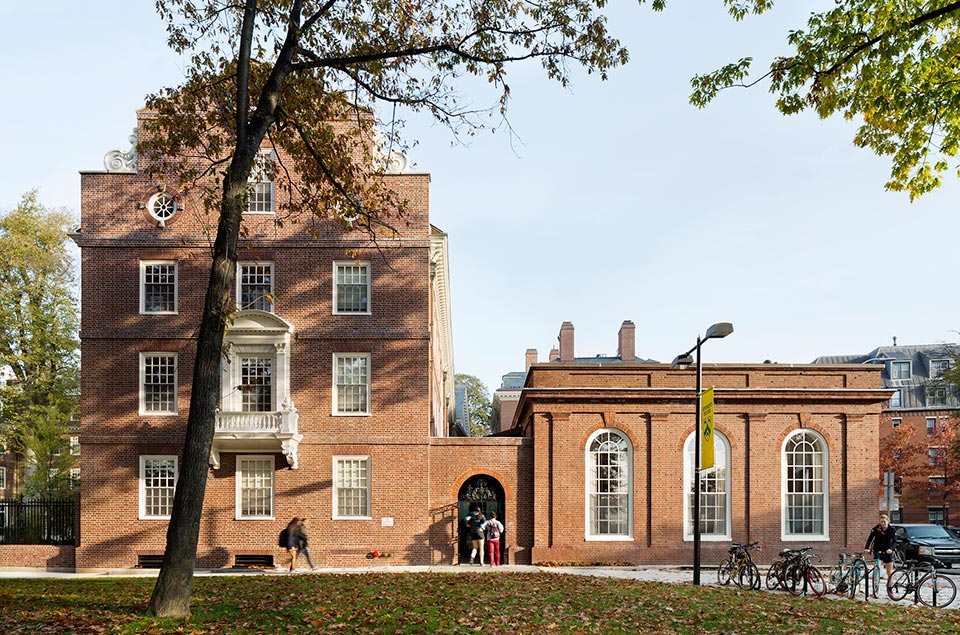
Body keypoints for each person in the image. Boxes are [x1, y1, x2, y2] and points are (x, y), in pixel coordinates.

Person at [865, 513, 897, 591]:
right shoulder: (876, 529)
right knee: (877, 568)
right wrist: (867, 548)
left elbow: (895, 541)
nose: (883, 524)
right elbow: (870, 539)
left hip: (887, 550)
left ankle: (890, 587)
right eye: (881, 522)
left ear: (888, 521)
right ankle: (876, 587)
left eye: (884, 522)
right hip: (878, 550)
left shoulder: (891, 529)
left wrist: (891, 549)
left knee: (889, 571)